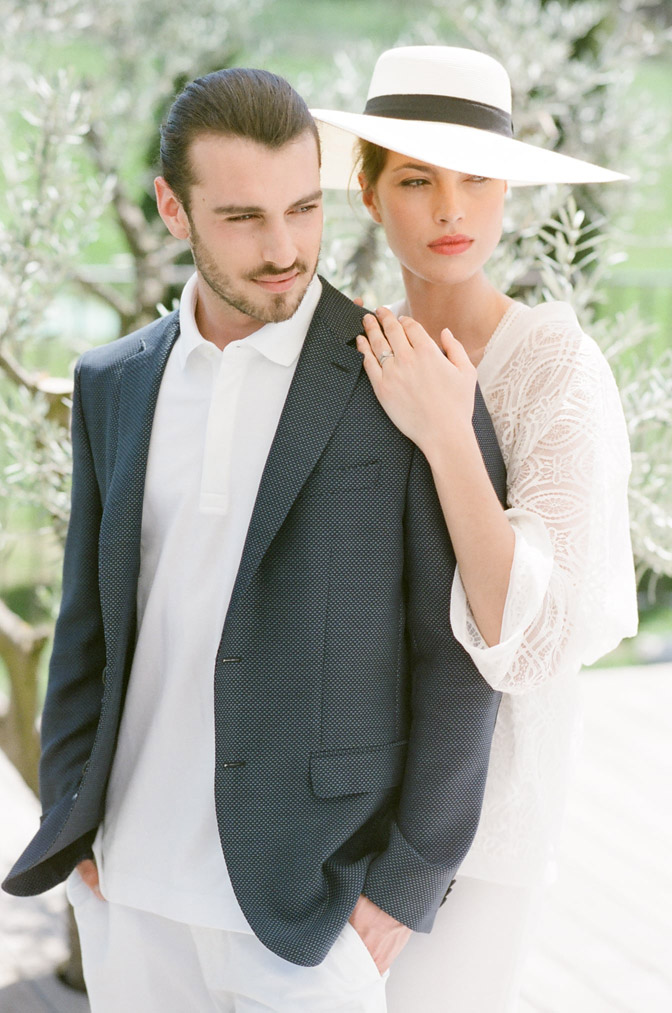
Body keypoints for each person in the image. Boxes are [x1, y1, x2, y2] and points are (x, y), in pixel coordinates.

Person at [2, 67, 508, 1012]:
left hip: (311, 905)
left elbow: (462, 646)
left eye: (303, 208)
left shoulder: (404, 380)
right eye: (241, 218)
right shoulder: (114, 382)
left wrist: (405, 881)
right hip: (132, 886)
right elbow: (89, 624)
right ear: (171, 208)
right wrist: (75, 829)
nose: (284, 249)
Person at [312, 45, 638, 1012]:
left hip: (485, 825)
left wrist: (450, 432)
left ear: (509, 192)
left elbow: (525, 634)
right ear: (369, 194)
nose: (452, 208)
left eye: (477, 178)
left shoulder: (556, 369)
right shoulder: (357, 354)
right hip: (343, 806)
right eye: (416, 178)